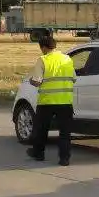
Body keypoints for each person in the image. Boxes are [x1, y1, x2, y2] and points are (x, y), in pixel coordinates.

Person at [26, 35, 76, 166]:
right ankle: (64, 159)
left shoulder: (43, 60)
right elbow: (73, 78)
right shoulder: (67, 59)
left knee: (41, 130)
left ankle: (38, 153)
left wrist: (31, 80)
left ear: (43, 47)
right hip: (65, 102)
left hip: (46, 102)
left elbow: (37, 81)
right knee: (65, 132)